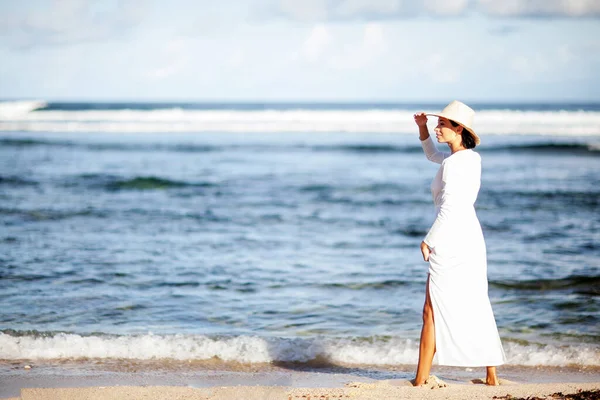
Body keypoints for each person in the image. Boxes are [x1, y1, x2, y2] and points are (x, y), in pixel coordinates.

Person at [412, 100, 506, 386]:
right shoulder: (468, 159)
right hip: (469, 238)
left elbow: (450, 207)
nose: (438, 128)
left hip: (451, 238)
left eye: (442, 124)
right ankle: (491, 375)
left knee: (431, 310)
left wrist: (429, 240)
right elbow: (432, 156)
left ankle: (420, 380)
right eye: (437, 123)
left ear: (459, 129)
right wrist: (423, 129)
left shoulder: (455, 164)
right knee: (476, 302)